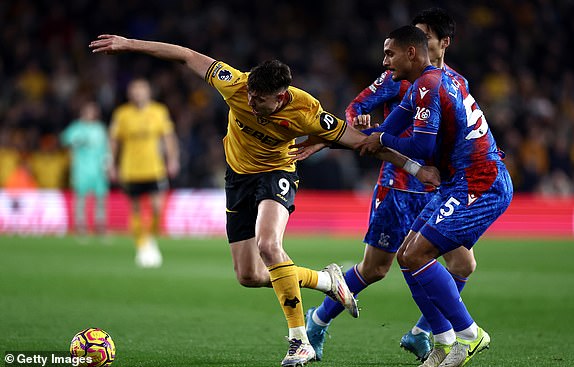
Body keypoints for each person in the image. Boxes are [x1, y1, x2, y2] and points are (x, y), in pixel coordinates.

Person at [89, 34, 440, 367]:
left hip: (277, 174)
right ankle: (326, 280)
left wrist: (414, 167)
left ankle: (299, 340)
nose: (252, 102)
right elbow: (184, 55)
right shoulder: (235, 84)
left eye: (260, 99)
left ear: (281, 96)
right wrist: (130, 44)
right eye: (250, 96)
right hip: (237, 178)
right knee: (250, 275)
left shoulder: (307, 112)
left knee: (270, 246)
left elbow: (363, 141)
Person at [303, 8, 477, 362]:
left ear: (443, 43)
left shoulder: (457, 83)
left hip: (436, 188)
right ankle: (318, 321)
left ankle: (423, 332)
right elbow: (354, 109)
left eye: (425, 37)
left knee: (463, 264)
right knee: (375, 269)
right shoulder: (397, 77)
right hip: (397, 186)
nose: (419, 44)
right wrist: (360, 121)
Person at [357, 25, 513, 367]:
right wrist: (332, 138)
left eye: (389, 53)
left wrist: (380, 142)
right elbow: (384, 132)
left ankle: (470, 335)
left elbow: (420, 146)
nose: (385, 62)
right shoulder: (424, 84)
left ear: (411, 53)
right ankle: (442, 341)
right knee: (406, 256)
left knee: (418, 256)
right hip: (457, 183)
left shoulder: (429, 85)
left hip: (481, 181)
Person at [108, 78, 180, 267]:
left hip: (154, 168)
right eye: (134, 90)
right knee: (136, 209)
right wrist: (111, 164)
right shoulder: (122, 114)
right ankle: (141, 244)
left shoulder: (159, 111)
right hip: (131, 169)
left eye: (141, 90)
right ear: (129, 94)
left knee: (157, 207)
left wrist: (172, 159)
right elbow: (114, 141)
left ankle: (150, 238)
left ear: (148, 92)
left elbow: (168, 137)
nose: (137, 93)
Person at [60, 101, 110, 236]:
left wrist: (108, 165)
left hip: (99, 170)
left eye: (92, 111)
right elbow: (64, 140)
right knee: (80, 199)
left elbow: (107, 148)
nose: (90, 114)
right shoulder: (76, 127)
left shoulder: (100, 128)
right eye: (87, 111)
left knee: (100, 199)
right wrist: (76, 141)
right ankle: (80, 226)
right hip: (81, 169)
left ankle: (101, 226)